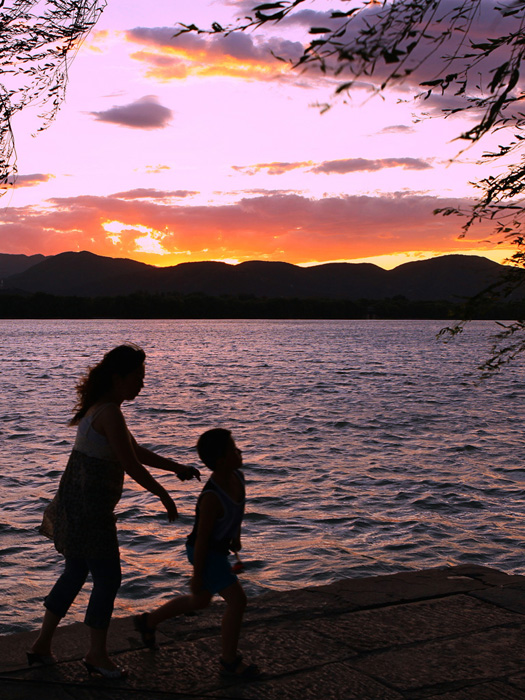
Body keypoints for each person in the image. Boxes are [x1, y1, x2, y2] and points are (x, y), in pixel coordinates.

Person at [28, 344, 200, 679]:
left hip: (77, 505)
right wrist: (165, 496)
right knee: (108, 578)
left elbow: (133, 449)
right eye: (137, 377)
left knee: (76, 572)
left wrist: (175, 467)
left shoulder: (103, 409)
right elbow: (131, 464)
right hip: (90, 511)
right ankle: (96, 654)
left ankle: (41, 645)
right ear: (117, 378)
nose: (142, 384)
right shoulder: (108, 413)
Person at [134, 428, 260, 679]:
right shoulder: (212, 498)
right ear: (221, 461)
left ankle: (148, 622)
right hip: (204, 553)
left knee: (200, 601)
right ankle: (229, 661)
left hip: (217, 550)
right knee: (238, 601)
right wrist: (197, 575)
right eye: (234, 449)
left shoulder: (238, 478)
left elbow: (239, 509)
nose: (240, 451)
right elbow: (202, 540)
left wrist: (236, 537)